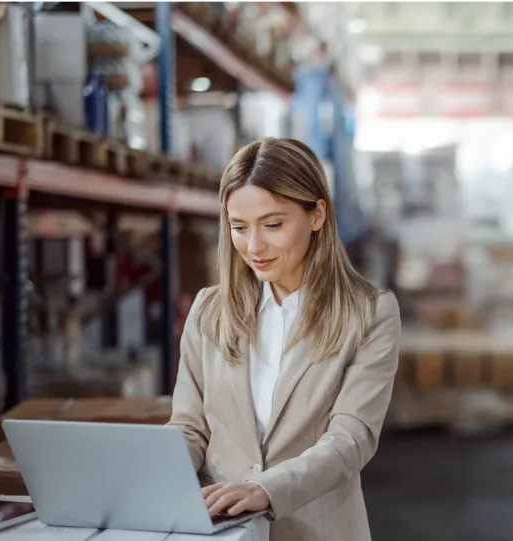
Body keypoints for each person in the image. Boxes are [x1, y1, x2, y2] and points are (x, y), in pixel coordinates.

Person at [168, 138, 401, 541]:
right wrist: (153, 475)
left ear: (317, 215)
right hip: (223, 531)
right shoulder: (209, 310)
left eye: (272, 225)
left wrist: (265, 489)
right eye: (239, 228)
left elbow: (351, 439)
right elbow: (190, 427)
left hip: (317, 530)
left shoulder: (369, 314)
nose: (254, 247)